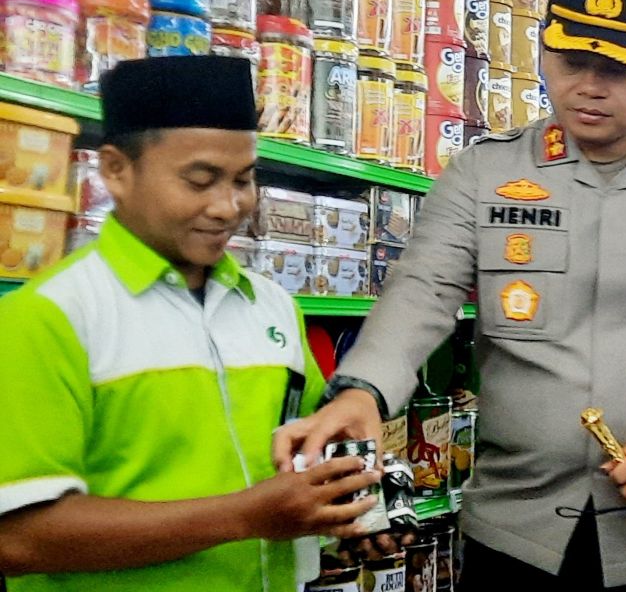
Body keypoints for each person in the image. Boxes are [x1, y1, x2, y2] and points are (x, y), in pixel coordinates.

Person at [274, 0, 626, 590]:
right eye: (572, 61)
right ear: (543, 53)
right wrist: (364, 390)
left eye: (617, 68)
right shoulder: (483, 174)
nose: (590, 85)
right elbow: (423, 291)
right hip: (516, 537)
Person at [0, 56, 381, 591]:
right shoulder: (47, 317)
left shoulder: (272, 308)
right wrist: (245, 516)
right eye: (199, 180)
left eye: (244, 180)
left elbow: (306, 450)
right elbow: (18, 537)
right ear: (115, 170)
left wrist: (349, 510)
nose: (228, 206)